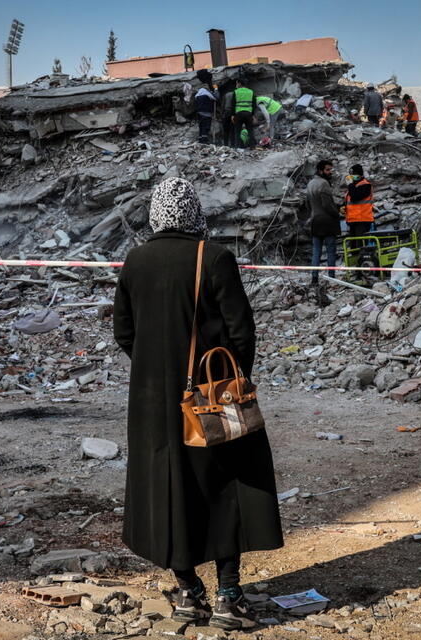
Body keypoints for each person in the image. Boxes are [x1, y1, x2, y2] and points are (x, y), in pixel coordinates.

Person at [113, 177, 283, 631]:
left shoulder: (135, 260)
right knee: (227, 487)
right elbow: (241, 332)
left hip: (151, 403)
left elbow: (124, 332)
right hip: (211, 400)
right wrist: (225, 382)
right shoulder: (215, 257)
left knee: (166, 492)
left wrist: (155, 368)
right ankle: (229, 596)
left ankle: (189, 591)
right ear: (194, 212)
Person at [306, 160, 341, 286]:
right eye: (327, 169)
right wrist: (336, 213)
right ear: (320, 170)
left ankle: (314, 278)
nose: (330, 172)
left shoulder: (310, 184)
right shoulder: (324, 183)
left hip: (315, 220)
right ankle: (332, 277)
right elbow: (327, 204)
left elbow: (308, 204)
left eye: (330, 169)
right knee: (331, 250)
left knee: (316, 252)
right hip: (327, 221)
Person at [344, 164, 374, 238]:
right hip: (353, 220)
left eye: (353, 174)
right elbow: (350, 201)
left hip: (362, 220)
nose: (351, 176)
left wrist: (350, 184)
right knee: (353, 246)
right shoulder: (354, 186)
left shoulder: (365, 185)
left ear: (358, 174)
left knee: (360, 245)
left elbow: (355, 197)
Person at [231, 80, 257, 149]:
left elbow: (233, 104)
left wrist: (233, 115)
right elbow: (254, 105)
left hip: (238, 113)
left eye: (236, 83)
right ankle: (252, 147)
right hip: (248, 113)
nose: (236, 85)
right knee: (250, 131)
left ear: (239, 83)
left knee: (237, 131)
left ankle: (238, 147)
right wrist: (253, 115)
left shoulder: (236, 92)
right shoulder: (251, 91)